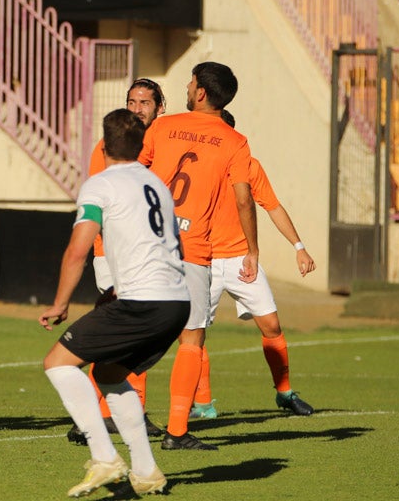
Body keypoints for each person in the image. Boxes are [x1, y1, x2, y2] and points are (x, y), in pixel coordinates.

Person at [39, 109, 188, 498]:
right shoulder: (157, 185)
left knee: (58, 363)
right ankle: (147, 471)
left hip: (144, 302)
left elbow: (78, 250)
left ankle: (104, 457)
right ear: (141, 147)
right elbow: (173, 245)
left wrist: (60, 304)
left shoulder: (100, 185)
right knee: (107, 373)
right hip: (176, 301)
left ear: (103, 146)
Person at [138, 61, 257, 451]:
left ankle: (110, 413)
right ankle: (176, 431)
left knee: (135, 328)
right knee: (191, 338)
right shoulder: (235, 141)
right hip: (192, 250)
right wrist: (253, 250)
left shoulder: (162, 127)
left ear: (201, 93)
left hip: (147, 244)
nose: (187, 89)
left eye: (190, 83)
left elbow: (133, 172)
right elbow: (243, 199)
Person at [189, 109, 316, 419]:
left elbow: (272, 206)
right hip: (202, 259)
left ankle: (284, 392)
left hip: (241, 259)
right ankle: (203, 404)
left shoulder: (249, 166)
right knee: (194, 333)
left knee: (271, 325)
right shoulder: (195, 163)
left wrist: (299, 247)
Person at [68, 78, 167, 446]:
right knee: (124, 332)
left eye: (144, 102)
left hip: (142, 252)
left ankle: (124, 411)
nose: (137, 108)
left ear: (160, 108)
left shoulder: (159, 142)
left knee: (136, 334)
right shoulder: (113, 146)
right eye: (132, 101)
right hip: (114, 251)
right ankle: (95, 415)